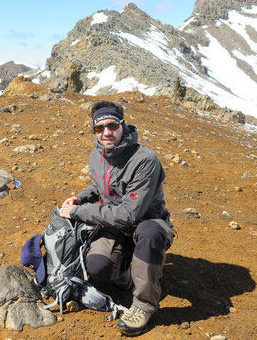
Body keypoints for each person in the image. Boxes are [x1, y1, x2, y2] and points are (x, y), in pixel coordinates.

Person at [59, 100, 174, 336]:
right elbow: (101, 183)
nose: (106, 133)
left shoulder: (145, 160)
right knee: (97, 268)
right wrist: (82, 198)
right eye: (99, 128)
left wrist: (79, 212)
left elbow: (129, 214)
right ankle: (125, 275)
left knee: (150, 234)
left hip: (147, 222)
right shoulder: (97, 155)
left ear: (123, 125)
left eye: (112, 125)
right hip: (115, 224)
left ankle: (144, 305)